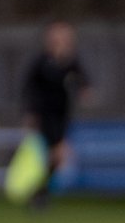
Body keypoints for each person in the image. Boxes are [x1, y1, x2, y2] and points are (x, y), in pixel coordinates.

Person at [18, 20, 91, 207]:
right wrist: (29, 111)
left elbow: (83, 80)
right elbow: (29, 86)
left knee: (57, 157)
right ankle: (38, 191)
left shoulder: (69, 61)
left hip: (62, 114)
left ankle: (39, 192)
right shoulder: (41, 61)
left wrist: (85, 91)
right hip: (45, 115)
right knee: (57, 153)